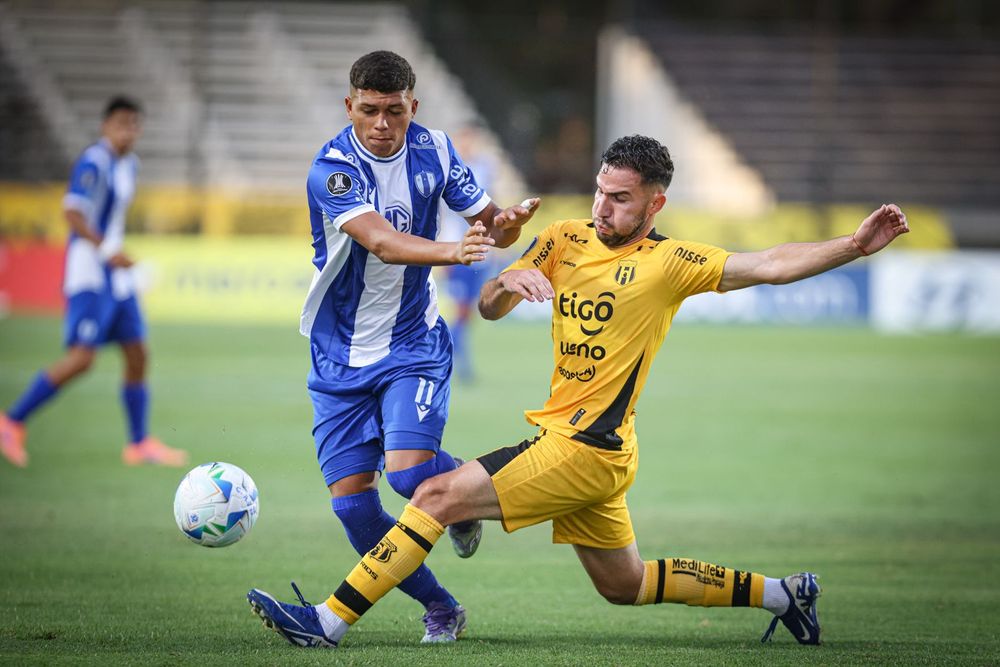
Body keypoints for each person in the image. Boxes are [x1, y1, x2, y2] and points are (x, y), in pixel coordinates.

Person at [246, 135, 909, 648]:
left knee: (434, 494)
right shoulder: (563, 239)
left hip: (585, 447)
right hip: (595, 452)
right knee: (626, 584)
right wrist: (512, 283)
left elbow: (766, 263)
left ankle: (326, 622)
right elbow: (494, 302)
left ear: (656, 202)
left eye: (620, 197)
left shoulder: (670, 264)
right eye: (600, 190)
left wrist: (852, 245)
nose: (602, 206)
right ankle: (786, 595)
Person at [252, 51, 537, 645]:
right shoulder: (333, 168)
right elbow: (380, 241)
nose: (382, 123)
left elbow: (488, 220)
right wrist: (451, 251)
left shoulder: (434, 148)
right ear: (349, 106)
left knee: (409, 482)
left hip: (413, 344)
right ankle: (442, 603)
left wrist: (506, 222)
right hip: (338, 356)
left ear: (414, 107)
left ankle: (452, 491)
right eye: (369, 110)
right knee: (355, 510)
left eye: (394, 111)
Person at [0, 96, 187, 469]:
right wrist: (106, 251)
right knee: (82, 359)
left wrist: (117, 254)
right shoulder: (94, 162)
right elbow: (72, 212)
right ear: (105, 126)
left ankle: (138, 443)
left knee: (137, 352)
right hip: (90, 272)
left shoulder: (129, 165)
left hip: (116, 275)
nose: (128, 131)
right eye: (121, 123)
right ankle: (11, 421)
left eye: (134, 124)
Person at [440, 125, 500, 383]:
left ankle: (453, 358)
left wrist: (494, 244)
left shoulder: (484, 168)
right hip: (457, 248)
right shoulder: (446, 171)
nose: (467, 145)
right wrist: (441, 246)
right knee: (461, 309)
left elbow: (492, 208)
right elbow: (439, 211)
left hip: (481, 250)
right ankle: (453, 359)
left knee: (470, 311)